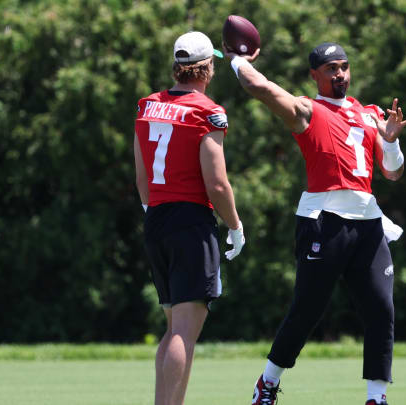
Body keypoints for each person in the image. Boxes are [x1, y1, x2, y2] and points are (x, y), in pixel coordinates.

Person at [225, 42, 406, 405]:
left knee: (381, 309)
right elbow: (259, 87)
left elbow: (393, 173)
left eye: (344, 66)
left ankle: (377, 397)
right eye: (331, 68)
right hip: (323, 221)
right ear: (315, 75)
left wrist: (390, 143)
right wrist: (236, 60)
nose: (340, 73)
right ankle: (267, 382)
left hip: (368, 222)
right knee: (307, 310)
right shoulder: (307, 110)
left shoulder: (370, 113)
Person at [134, 31, 246, 405]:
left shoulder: (146, 106)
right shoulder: (207, 111)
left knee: (171, 330)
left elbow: (142, 176)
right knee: (184, 331)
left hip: (157, 219)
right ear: (207, 69)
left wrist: (154, 212)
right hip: (190, 222)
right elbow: (216, 183)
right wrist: (235, 225)